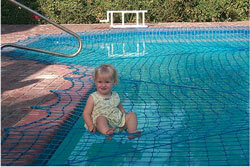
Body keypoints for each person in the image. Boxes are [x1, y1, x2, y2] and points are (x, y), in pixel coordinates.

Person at [83, 64, 141, 139]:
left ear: (114, 82)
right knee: (101, 119)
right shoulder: (93, 97)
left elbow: (120, 107)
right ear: (95, 81)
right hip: (100, 125)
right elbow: (86, 113)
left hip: (116, 122)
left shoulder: (115, 95)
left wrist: (125, 118)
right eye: (100, 82)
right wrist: (90, 125)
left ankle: (131, 132)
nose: (103, 85)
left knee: (132, 115)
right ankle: (107, 132)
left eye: (107, 82)